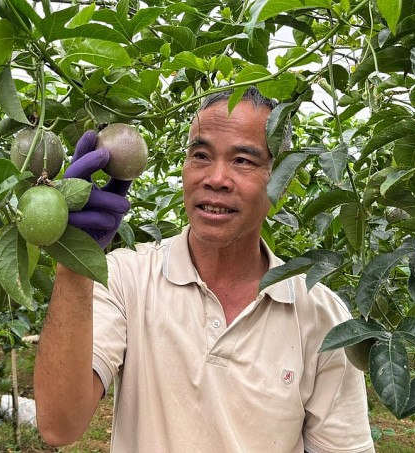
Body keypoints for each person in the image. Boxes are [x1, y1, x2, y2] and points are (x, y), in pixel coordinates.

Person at [33, 87, 375, 452]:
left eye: (243, 160)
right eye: (200, 155)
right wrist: (75, 266)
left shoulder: (322, 317)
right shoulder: (123, 277)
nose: (216, 178)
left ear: (282, 180)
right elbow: (59, 425)